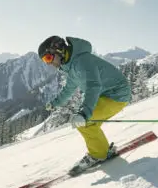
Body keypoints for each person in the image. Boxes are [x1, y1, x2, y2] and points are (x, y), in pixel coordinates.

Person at [38, 35, 132, 175]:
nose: (48, 64)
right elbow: (68, 89)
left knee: (85, 122)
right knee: (88, 123)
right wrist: (54, 103)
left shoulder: (82, 61)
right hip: (106, 95)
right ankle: (102, 150)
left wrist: (84, 113)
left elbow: (93, 85)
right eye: (45, 61)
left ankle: (99, 154)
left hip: (116, 95)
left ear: (58, 51)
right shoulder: (71, 66)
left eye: (48, 58)